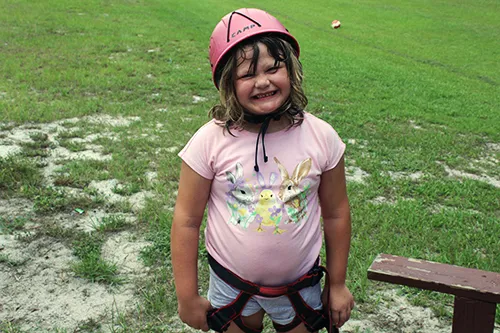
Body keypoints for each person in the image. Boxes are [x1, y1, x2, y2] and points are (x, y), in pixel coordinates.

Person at [171, 8, 354, 333]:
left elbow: (337, 212)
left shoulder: (321, 137)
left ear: (292, 70)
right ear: (227, 81)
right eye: (247, 74)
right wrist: (187, 297)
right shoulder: (210, 141)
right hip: (231, 289)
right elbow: (186, 220)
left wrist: (337, 285)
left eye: (274, 68)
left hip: (300, 289)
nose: (263, 82)